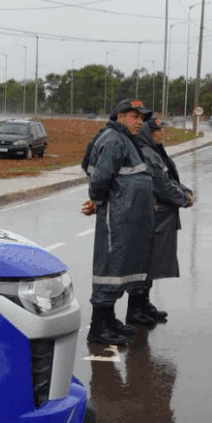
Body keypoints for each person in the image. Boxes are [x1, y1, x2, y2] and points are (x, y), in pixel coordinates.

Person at [79, 98, 155, 346]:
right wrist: (97, 202)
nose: (140, 122)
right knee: (110, 269)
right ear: (120, 116)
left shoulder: (126, 139)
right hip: (116, 217)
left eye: (142, 118)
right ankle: (98, 327)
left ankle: (109, 319)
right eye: (135, 116)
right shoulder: (114, 140)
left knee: (119, 266)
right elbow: (100, 179)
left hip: (127, 218)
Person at [130, 116, 194, 324]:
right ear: (148, 134)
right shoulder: (146, 153)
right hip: (149, 216)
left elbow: (169, 179)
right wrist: (183, 198)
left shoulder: (154, 151)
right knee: (143, 262)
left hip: (157, 215)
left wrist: (184, 191)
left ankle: (143, 304)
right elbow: (161, 184)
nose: (162, 134)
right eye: (158, 131)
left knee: (151, 262)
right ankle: (135, 309)